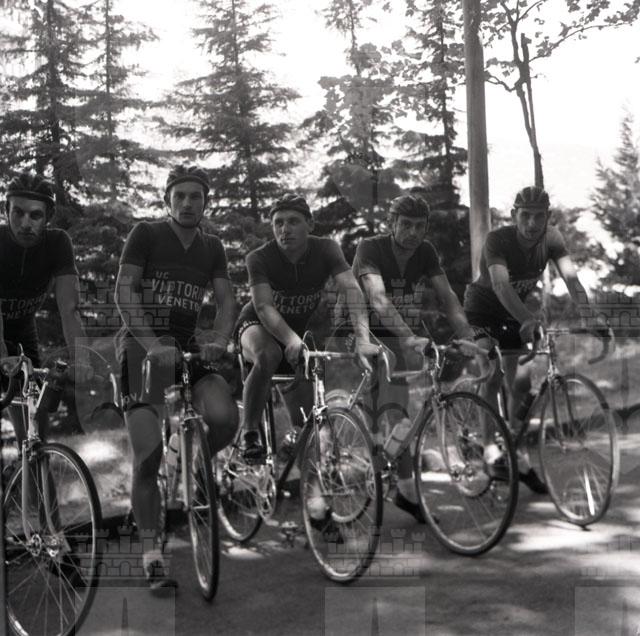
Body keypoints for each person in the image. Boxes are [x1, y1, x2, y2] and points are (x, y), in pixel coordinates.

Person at [114, 165, 238, 593]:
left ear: (206, 202)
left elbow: (226, 300)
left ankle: (192, 466)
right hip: (140, 348)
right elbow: (124, 291)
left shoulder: (212, 246)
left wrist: (220, 338)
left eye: (195, 196)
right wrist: (151, 343)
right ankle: (152, 557)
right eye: (179, 195)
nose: (187, 203)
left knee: (224, 417)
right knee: (147, 456)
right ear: (167, 199)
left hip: (185, 346)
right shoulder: (146, 234)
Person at [463, 185, 600, 493]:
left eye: (539, 216)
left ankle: (515, 450)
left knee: (521, 384)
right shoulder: (498, 240)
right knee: (492, 373)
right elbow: (500, 285)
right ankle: (489, 450)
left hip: (514, 312)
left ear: (547, 217)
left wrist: (590, 316)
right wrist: (527, 318)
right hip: (482, 309)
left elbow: (571, 278)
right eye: (525, 215)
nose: (532, 223)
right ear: (514, 215)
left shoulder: (552, 239)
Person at [350, 193, 476, 522]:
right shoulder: (370, 248)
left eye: (420, 226)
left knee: (402, 412)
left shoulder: (425, 252)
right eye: (405, 224)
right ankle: (380, 461)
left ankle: (404, 490)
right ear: (391, 224)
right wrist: (409, 338)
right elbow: (377, 299)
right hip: (364, 330)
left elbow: (448, 296)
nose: (413, 232)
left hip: (400, 332)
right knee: (388, 406)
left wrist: (468, 335)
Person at [236, 193, 374, 466]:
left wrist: (362, 338)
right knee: (268, 354)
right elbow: (263, 306)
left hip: (295, 335)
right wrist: (291, 339)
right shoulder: (259, 258)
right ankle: (250, 434)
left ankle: (296, 463)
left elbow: (351, 290)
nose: (284, 229)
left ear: (310, 224)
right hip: (256, 325)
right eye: (278, 223)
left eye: (293, 221)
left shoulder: (326, 249)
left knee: (305, 425)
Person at [0, 171, 88, 442]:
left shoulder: (58, 244)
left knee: (35, 432)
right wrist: (2, 355)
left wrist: (82, 359)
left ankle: (33, 466)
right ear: (6, 211)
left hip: (23, 331)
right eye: (18, 213)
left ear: (48, 217)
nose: (26, 223)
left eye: (35, 215)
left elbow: (69, 308)